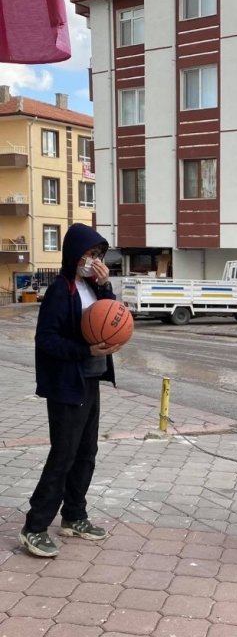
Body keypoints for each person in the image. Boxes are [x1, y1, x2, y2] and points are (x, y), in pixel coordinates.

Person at [19, 223, 122, 558]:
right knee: (63, 455)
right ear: (73, 254)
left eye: (98, 255)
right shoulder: (61, 291)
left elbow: (114, 318)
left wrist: (106, 286)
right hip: (66, 384)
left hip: (90, 381)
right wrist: (83, 352)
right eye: (88, 254)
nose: (92, 260)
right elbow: (46, 340)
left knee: (86, 452)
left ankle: (74, 515)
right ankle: (34, 527)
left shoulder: (93, 286)